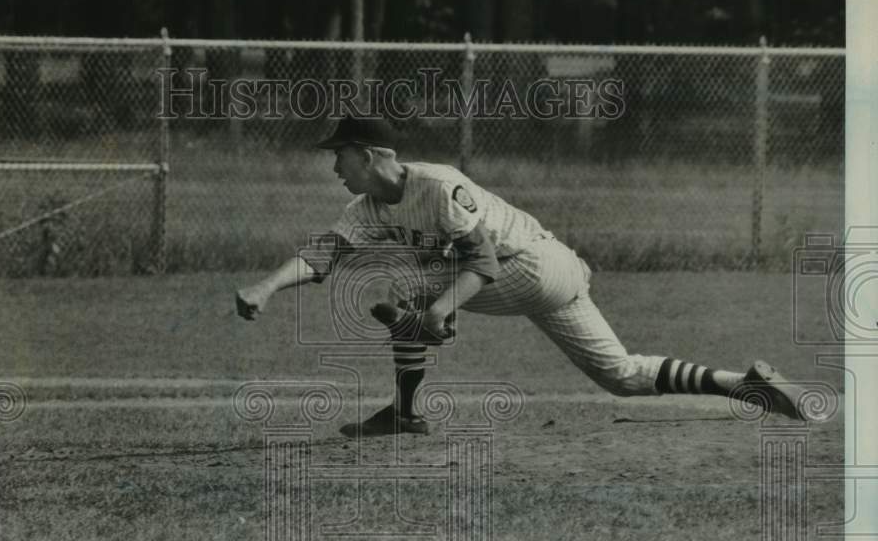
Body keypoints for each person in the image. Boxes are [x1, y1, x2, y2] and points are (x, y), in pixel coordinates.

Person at [235, 115, 807, 435]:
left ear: (367, 155)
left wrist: (439, 310)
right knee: (622, 375)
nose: (333, 166)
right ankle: (746, 384)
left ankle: (407, 408)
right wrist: (266, 287)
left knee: (407, 288)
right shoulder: (365, 210)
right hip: (543, 276)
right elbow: (323, 254)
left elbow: (482, 261)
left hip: (532, 264)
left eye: (339, 155)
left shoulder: (437, 185)